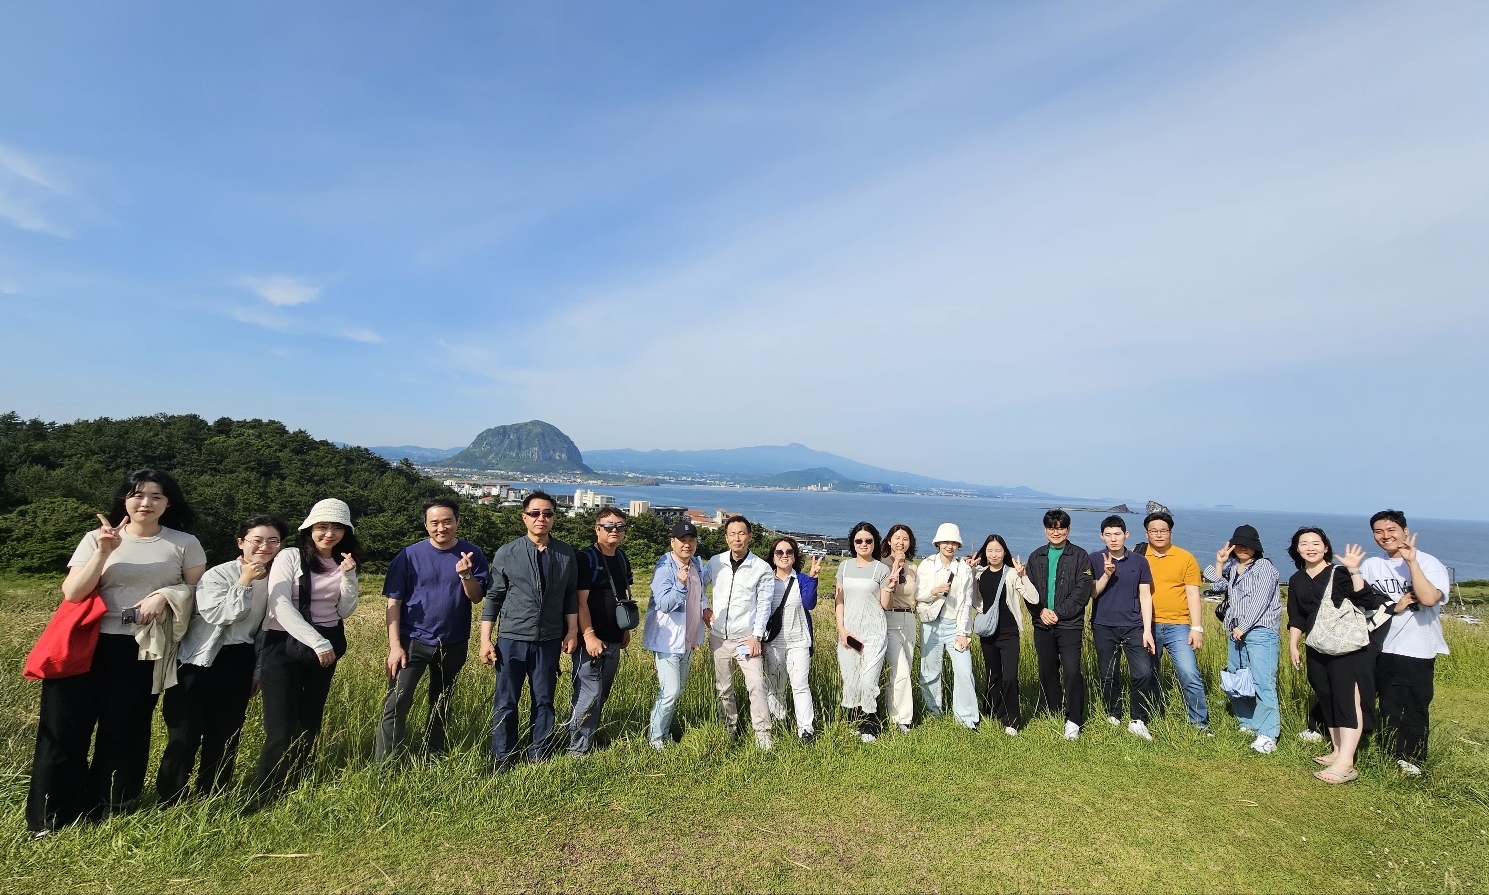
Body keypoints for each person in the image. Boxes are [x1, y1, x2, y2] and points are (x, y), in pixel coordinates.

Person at [27, 470, 206, 836]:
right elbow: (74, 592)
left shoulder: (184, 543)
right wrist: (103, 553)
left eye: (156, 496)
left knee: (124, 730)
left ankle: (107, 808)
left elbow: (197, 593)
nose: (146, 503)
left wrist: (164, 595)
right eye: (137, 495)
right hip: (86, 643)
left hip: (140, 648)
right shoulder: (97, 537)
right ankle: (48, 816)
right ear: (124, 499)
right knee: (63, 731)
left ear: (168, 503)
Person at [156, 514, 286, 806]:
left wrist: (257, 671)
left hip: (238, 659)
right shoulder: (217, 575)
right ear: (241, 543)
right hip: (197, 661)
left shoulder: (276, 581)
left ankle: (212, 795)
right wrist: (244, 581)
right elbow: (220, 615)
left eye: (273, 541)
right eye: (257, 540)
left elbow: (264, 631)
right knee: (184, 732)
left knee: (225, 734)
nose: (265, 546)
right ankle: (170, 798)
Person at [252, 498, 360, 799]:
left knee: (309, 719)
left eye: (337, 527)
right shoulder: (290, 556)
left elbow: (345, 609)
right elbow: (280, 604)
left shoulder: (344, 560)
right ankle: (265, 792)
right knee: (279, 726)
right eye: (322, 526)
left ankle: (295, 785)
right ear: (309, 528)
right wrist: (316, 641)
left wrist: (349, 576)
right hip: (285, 643)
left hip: (327, 642)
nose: (329, 533)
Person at [375, 498, 490, 760]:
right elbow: (394, 603)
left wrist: (466, 575)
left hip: (453, 641)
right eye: (435, 523)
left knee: (442, 703)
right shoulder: (408, 556)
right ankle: (384, 766)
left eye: (447, 521)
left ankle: (433, 756)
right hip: (412, 641)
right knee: (397, 703)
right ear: (426, 525)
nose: (442, 528)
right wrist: (395, 647)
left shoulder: (472, 554)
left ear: (457, 522)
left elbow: (476, 597)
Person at [478, 491, 579, 766]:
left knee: (544, 699)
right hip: (511, 638)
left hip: (549, 638)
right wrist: (485, 640)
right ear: (524, 518)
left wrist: (572, 631)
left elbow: (570, 595)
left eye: (547, 513)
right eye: (534, 513)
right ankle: (503, 757)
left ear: (554, 518)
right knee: (506, 701)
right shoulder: (507, 553)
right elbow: (494, 598)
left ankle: (539, 755)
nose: (541, 518)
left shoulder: (566, 553)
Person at [1285, 527, 1384, 784]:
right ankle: (1337, 750)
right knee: (1327, 696)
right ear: (1297, 549)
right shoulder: (1297, 579)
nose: (1310, 547)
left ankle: (1346, 764)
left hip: (1349, 648)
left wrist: (1354, 570)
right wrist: (1293, 645)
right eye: (1304, 543)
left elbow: (1368, 599)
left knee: (1347, 700)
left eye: (1316, 542)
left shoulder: (1339, 573)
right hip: (1317, 646)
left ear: (1326, 547)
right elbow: (1297, 617)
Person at [1359, 510, 1450, 777]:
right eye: (1378, 531)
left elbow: (1429, 598)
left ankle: (1410, 758)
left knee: (1412, 704)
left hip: (1416, 646)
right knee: (1381, 701)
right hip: (1378, 644)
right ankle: (1383, 747)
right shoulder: (1371, 565)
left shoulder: (1428, 562)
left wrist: (1411, 562)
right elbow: (1361, 600)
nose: (1385, 536)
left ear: (1405, 531)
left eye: (1391, 530)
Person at [1204, 524, 1283, 754]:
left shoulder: (1264, 567)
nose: (1243, 548)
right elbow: (1218, 586)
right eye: (1238, 544)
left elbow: (1261, 599)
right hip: (1237, 631)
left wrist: (1244, 625)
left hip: (1260, 630)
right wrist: (1219, 562)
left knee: (1262, 681)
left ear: (1256, 546)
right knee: (1238, 678)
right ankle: (1247, 722)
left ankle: (1268, 733)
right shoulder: (1233, 566)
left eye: (1248, 544)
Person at [702, 515, 776, 750]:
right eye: (732, 534)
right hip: (719, 637)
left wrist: (756, 635)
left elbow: (764, 605)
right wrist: (704, 606)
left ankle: (763, 735)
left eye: (741, 533)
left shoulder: (761, 567)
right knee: (723, 688)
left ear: (750, 536)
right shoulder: (715, 562)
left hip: (747, 638)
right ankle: (729, 730)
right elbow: (699, 583)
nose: (737, 538)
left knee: (756, 685)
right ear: (726, 537)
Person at [567, 507, 635, 755]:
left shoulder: (622, 557)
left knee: (601, 694)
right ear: (597, 529)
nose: (615, 530)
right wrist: (588, 635)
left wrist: (625, 629)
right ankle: (577, 750)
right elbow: (579, 601)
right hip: (591, 640)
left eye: (619, 526)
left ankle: (585, 738)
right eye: (608, 526)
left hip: (614, 637)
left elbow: (624, 594)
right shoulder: (586, 558)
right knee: (589, 693)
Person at [642, 520, 712, 749]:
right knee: (670, 690)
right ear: (672, 542)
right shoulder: (664, 568)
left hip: (688, 640)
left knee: (677, 689)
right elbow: (663, 604)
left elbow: (700, 595)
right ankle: (656, 738)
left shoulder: (696, 564)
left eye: (692, 540)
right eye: (682, 541)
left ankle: (663, 733)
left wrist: (705, 610)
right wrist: (680, 584)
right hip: (667, 641)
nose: (687, 545)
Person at [1025, 509, 1093, 739]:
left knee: (1072, 671)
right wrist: (1040, 611)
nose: (1056, 532)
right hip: (1042, 622)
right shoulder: (1036, 557)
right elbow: (1029, 590)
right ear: (1045, 530)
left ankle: (1073, 719)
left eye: (1061, 527)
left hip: (1070, 624)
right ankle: (1051, 711)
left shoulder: (1080, 556)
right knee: (1047, 670)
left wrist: (1058, 613)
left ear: (1068, 530)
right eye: (1052, 528)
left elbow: (1082, 591)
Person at [1089, 515, 1156, 741]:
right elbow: (1093, 593)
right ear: (1101, 536)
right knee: (1108, 674)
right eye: (1108, 534)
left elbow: (1145, 596)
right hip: (1103, 623)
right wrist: (1107, 575)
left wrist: (1147, 630)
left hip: (1134, 625)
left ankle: (1138, 720)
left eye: (1117, 534)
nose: (1113, 539)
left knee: (1143, 672)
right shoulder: (1094, 559)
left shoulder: (1139, 561)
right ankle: (1113, 714)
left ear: (1126, 535)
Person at [1141, 511, 1210, 731]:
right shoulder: (1140, 556)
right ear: (1147, 533)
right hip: (1147, 625)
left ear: (1170, 532)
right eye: (1154, 531)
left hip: (1178, 625)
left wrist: (1196, 627)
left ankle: (1199, 724)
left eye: (1163, 530)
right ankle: (1153, 716)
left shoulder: (1185, 557)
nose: (1159, 535)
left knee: (1189, 673)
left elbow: (1192, 595)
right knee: (1148, 673)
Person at [968, 533, 1037, 736]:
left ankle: (1012, 721)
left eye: (998, 550)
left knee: (1009, 677)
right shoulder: (979, 574)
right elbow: (974, 599)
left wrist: (1023, 575)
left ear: (1004, 552)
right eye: (990, 550)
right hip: (988, 633)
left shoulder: (1012, 574)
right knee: (993, 675)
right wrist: (969, 570)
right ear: (984, 553)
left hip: (1009, 632)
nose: (994, 554)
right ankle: (993, 713)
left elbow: (1033, 598)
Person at [915, 523, 978, 730]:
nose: (949, 546)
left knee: (964, 671)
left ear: (958, 545)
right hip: (931, 623)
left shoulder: (963, 569)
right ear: (938, 543)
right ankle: (933, 714)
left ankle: (967, 719)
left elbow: (966, 603)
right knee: (930, 672)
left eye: (953, 542)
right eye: (946, 542)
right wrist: (935, 590)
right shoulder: (927, 565)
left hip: (954, 626)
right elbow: (918, 596)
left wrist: (963, 632)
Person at [761, 536, 821, 742]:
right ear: (773, 557)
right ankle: (778, 720)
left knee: (800, 685)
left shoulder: (802, 579)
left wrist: (813, 578)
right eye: (779, 552)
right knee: (775, 685)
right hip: (773, 642)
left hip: (799, 641)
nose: (784, 556)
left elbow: (810, 604)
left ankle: (806, 729)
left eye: (789, 552)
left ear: (795, 557)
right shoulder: (766, 579)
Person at [836, 522, 891, 743]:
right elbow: (839, 601)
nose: (864, 544)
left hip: (874, 631)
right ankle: (853, 720)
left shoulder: (881, 569)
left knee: (868, 681)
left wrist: (889, 586)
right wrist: (841, 630)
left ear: (875, 542)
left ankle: (871, 723)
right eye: (859, 540)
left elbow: (885, 605)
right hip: (849, 631)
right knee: (850, 680)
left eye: (868, 540)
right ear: (853, 543)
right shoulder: (844, 567)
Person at [879, 524, 920, 733]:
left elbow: (918, 596)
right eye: (896, 538)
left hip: (909, 620)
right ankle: (902, 720)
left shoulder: (913, 568)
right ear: (889, 541)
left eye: (905, 538)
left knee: (903, 670)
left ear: (910, 543)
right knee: (900, 669)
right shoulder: (881, 566)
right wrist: (895, 565)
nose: (900, 542)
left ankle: (891, 712)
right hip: (889, 619)